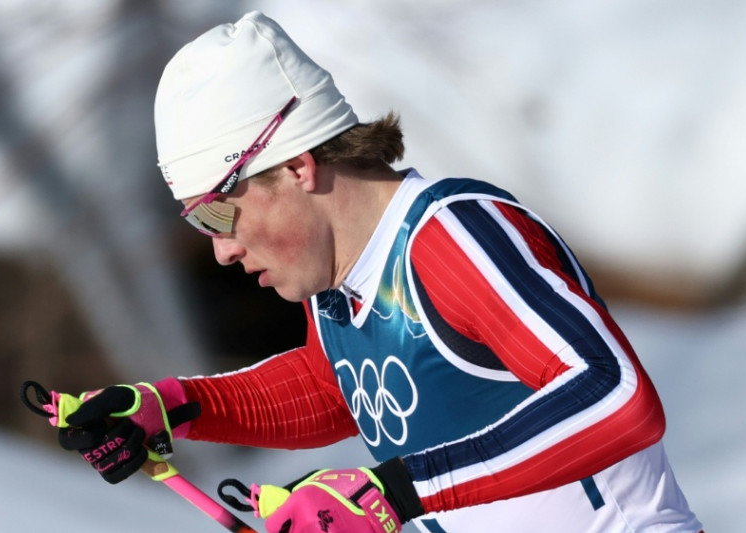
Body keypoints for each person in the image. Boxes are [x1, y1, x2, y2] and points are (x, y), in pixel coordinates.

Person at [43, 11, 703, 533]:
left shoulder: (452, 234)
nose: (220, 249)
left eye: (218, 214)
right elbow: (339, 388)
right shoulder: (340, 282)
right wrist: (175, 406)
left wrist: (396, 491)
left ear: (296, 165)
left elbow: (615, 396)